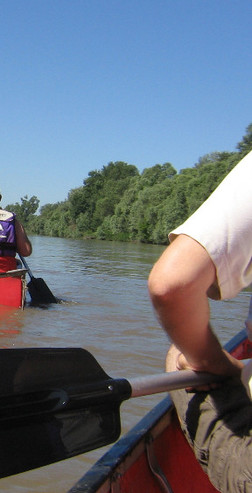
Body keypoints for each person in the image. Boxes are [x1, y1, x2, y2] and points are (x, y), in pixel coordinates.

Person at [147, 151, 252, 492]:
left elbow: (171, 284)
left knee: (178, 353)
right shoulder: (12, 221)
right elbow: (24, 250)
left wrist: (215, 363)